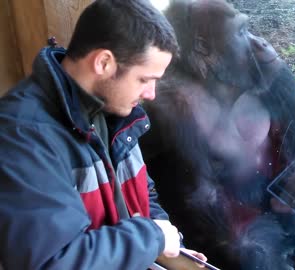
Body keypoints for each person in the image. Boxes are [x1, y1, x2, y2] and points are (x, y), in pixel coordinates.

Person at [0, 0, 206, 269]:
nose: (151, 94)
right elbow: (51, 262)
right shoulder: (22, 136)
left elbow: (141, 190)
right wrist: (152, 238)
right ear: (104, 62)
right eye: (145, 79)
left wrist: (169, 245)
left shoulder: (115, 110)